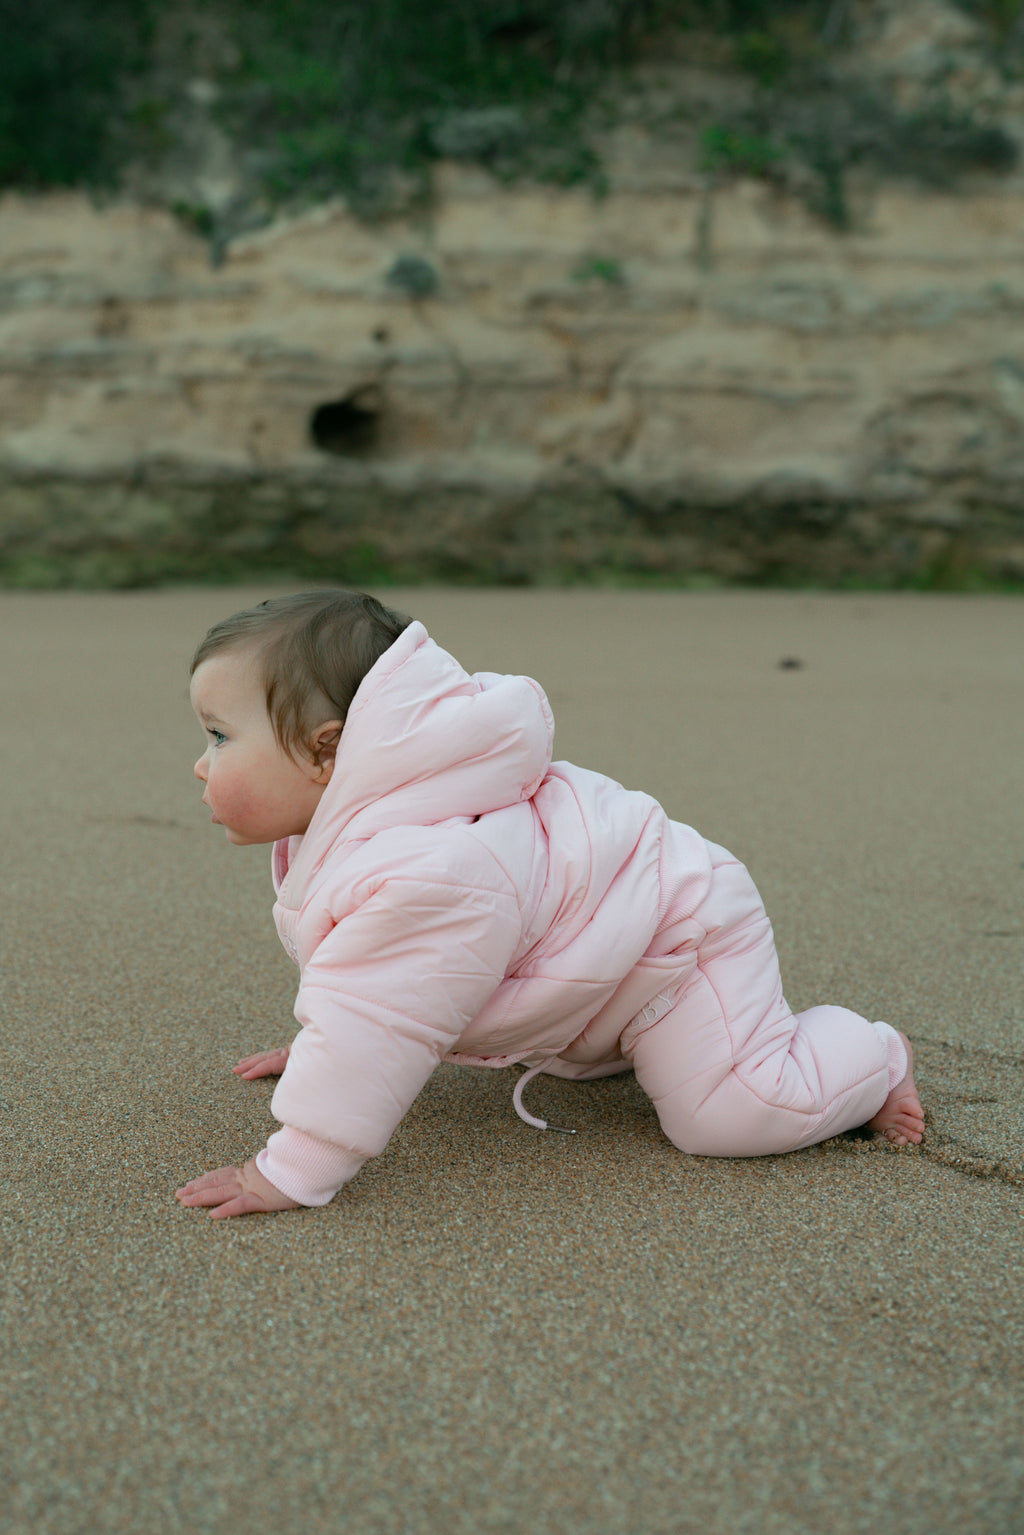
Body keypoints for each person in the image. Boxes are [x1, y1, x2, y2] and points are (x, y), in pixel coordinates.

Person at [176, 590, 924, 1220]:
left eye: (219, 735)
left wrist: (289, 1168)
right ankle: (621, 1043)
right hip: (595, 953)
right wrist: (325, 1038)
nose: (202, 763)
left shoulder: (431, 867)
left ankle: (874, 1056)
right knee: (564, 1052)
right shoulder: (375, 827)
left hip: (680, 941)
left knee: (730, 1113)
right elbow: (371, 987)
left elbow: (381, 1017)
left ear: (325, 751)